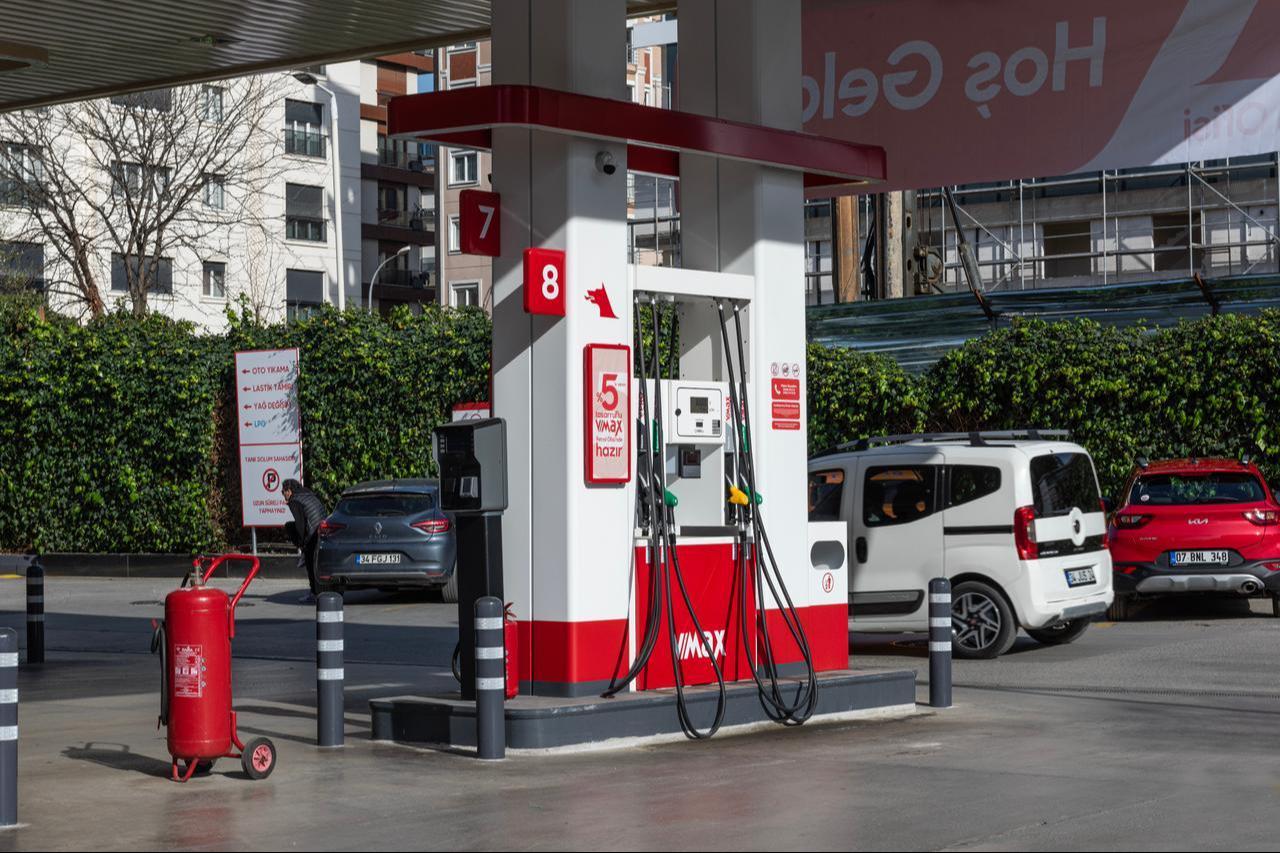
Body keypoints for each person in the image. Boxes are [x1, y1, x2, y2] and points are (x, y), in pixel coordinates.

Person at [282, 478, 328, 601]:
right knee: (316, 563)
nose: (283, 495)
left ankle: (314, 592)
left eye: (283, 492)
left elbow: (300, 525)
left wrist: (302, 545)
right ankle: (319, 591)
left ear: (289, 491)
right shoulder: (307, 494)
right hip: (324, 530)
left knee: (309, 562)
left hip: (313, 533)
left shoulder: (294, 501)